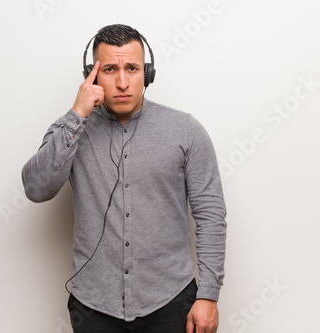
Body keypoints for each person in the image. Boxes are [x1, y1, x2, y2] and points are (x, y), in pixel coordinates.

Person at [22, 24, 227, 333]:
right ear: (91, 75)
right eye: (109, 69)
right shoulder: (70, 128)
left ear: (147, 73)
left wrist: (209, 295)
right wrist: (77, 115)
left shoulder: (185, 130)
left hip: (171, 302)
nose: (121, 82)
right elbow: (37, 189)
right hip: (92, 306)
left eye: (132, 68)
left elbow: (210, 215)